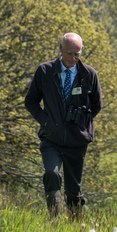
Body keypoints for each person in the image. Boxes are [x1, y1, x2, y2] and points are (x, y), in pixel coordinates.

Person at [25, 32, 102, 217]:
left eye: (77, 54)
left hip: (77, 141)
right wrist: (46, 121)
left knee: (74, 190)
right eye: (69, 53)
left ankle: (75, 225)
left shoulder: (89, 74)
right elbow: (31, 101)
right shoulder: (45, 71)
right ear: (60, 49)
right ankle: (54, 219)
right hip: (51, 138)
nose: (73, 58)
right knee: (52, 174)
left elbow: (97, 105)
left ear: (82, 51)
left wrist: (81, 121)